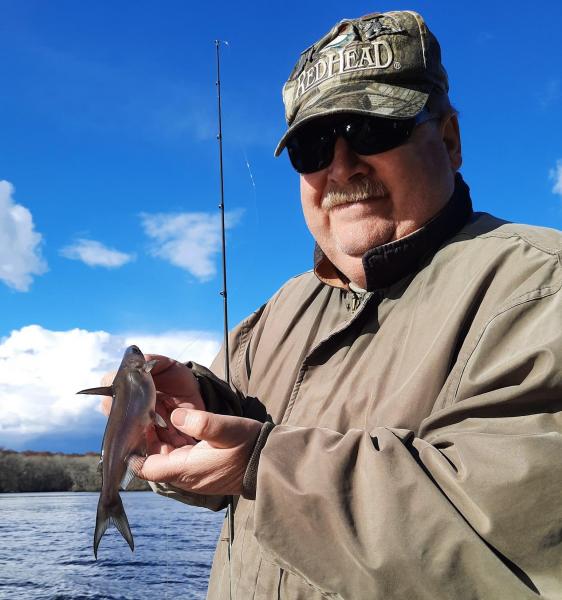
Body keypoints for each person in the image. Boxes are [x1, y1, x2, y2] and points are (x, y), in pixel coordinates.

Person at [107, 10, 562, 599]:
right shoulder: (275, 314)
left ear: (448, 140)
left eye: (375, 129)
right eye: (313, 146)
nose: (341, 166)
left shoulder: (539, 289)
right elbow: (224, 472)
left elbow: (503, 545)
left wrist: (261, 467)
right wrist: (190, 414)